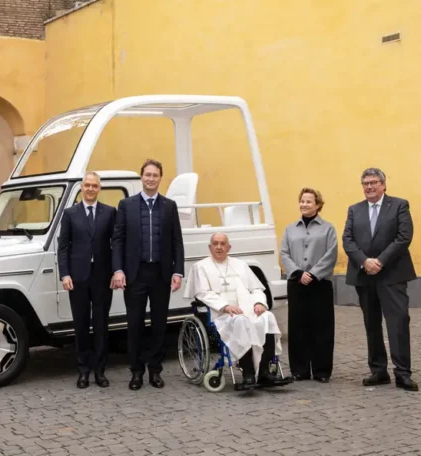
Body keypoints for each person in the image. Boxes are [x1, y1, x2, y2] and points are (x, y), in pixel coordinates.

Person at [342, 168, 418, 392]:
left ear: (384, 184)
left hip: (392, 275)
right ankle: (378, 370)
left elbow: (404, 237)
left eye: (374, 182)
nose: (369, 187)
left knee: (398, 323)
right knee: (371, 324)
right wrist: (365, 261)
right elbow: (348, 240)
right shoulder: (354, 210)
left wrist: (381, 261)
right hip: (364, 275)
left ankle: (403, 373)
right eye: (365, 183)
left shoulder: (399, 205)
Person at [111, 159, 184, 390]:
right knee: (135, 325)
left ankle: (155, 370)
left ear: (160, 178)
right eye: (147, 175)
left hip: (160, 274)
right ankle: (136, 372)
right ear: (141, 178)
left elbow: (177, 242)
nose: (151, 179)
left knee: (160, 325)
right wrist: (118, 269)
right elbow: (118, 240)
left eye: (155, 175)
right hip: (135, 274)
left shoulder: (169, 206)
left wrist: (178, 271)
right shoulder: (126, 205)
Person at [185, 233, 290, 389]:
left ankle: (264, 372)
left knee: (267, 317)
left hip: (248, 309)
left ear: (229, 247)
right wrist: (225, 307)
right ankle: (247, 373)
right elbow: (203, 293)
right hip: (222, 315)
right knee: (241, 321)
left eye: (222, 244)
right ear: (210, 247)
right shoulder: (201, 267)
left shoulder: (240, 265)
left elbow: (256, 288)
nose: (219, 247)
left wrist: (259, 302)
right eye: (215, 244)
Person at [57, 171, 117, 389]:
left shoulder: (110, 212)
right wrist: (65, 274)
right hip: (78, 278)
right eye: (87, 185)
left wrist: (116, 271)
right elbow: (63, 247)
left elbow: (116, 244)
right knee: (81, 326)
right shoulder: (70, 214)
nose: (91, 188)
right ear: (81, 188)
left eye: (94, 185)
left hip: (102, 278)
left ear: (99, 188)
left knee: (101, 326)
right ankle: (83, 371)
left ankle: (100, 371)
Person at [280, 188, 338, 383]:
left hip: (319, 284)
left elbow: (331, 254)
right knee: (298, 328)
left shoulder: (328, 229)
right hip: (296, 283)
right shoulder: (290, 229)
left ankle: (321, 371)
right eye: (302, 201)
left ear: (318, 205)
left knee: (322, 327)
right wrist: (297, 273)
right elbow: (284, 253)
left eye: (309, 201)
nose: (304, 204)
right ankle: (300, 370)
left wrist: (313, 274)